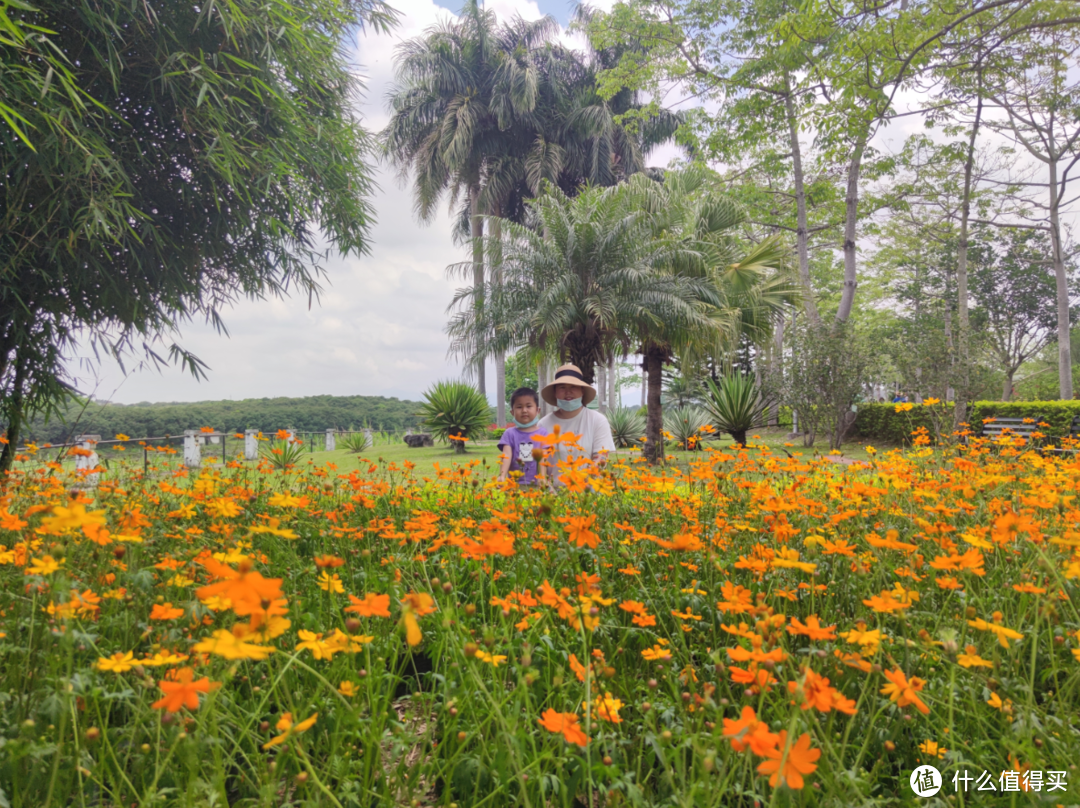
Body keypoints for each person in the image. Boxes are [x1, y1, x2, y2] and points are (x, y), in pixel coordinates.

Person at [537, 363, 616, 488]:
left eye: (573, 386)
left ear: (582, 390)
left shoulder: (597, 420)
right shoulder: (543, 424)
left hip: (587, 493)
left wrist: (581, 483)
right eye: (562, 387)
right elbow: (540, 463)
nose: (568, 392)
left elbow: (601, 458)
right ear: (555, 392)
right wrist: (548, 489)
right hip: (553, 494)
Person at [497, 388, 547, 487]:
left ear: (538, 410)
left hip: (536, 484)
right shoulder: (509, 433)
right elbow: (506, 455)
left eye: (529, 406)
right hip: (514, 484)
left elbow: (543, 457)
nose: (524, 410)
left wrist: (542, 477)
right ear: (512, 412)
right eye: (519, 407)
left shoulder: (543, 433)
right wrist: (502, 476)